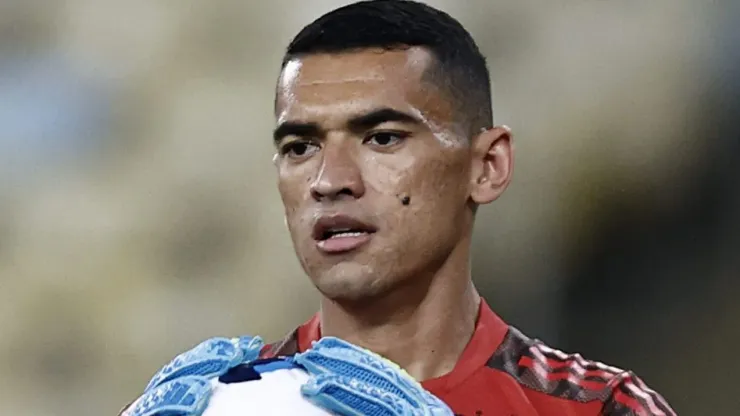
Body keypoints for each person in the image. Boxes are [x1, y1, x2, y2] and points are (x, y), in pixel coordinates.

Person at [124, 1, 676, 415]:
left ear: (486, 166)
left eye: (382, 138)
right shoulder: (219, 404)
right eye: (300, 147)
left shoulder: (601, 409)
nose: (329, 181)